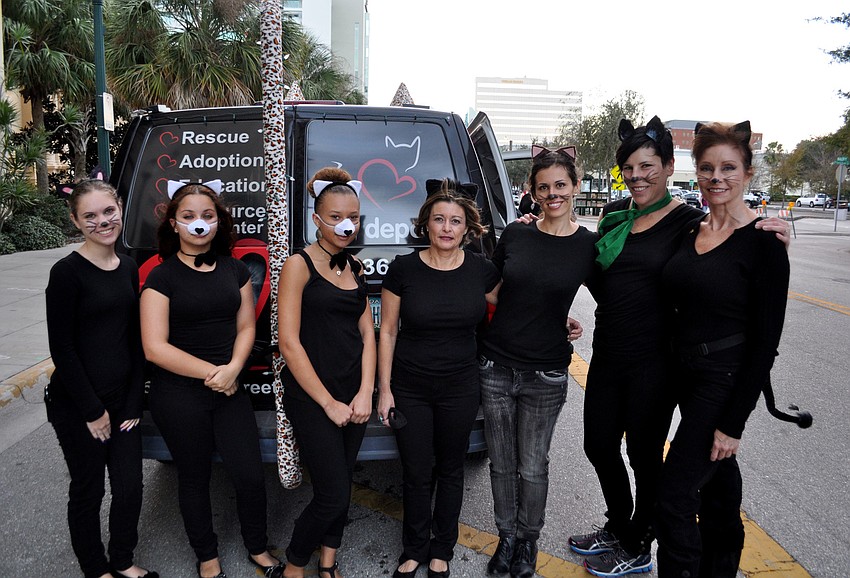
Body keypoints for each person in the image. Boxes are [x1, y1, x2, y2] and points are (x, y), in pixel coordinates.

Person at [571, 116, 791, 578]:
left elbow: (753, 310)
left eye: (647, 166)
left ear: (670, 168)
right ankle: (621, 526)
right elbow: (590, 268)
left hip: (660, 362)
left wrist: (776, 236)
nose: (637, 176)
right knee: (600, 447)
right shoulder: (621, 217)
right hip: (617, 354)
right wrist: (540, 226)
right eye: (629, 168)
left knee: (655, 464)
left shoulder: (688, 222)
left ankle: (639, 541)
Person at [655, 121, 790, 577]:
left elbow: (765, 344)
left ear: (748, 173)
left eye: (729, 168)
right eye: (707, 168)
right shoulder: (690, 229)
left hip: (722, 379)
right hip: (682, 374)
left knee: (674, 496)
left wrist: (733, 424)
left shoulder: (766, 242)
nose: (717, 177)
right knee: (717, 487)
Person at [140, 181, 282, 578]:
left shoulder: (236, 270)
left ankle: (258, 547)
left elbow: (246, 326)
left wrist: (234, 368)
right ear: (173, 223)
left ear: (219, 221)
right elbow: (154, 347)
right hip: (179, 394)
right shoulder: (161, 277)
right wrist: (214, 373)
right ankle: (207, 557)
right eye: (188, 216)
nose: (198, 223)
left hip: (230, 388)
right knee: (193, 478)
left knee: (250, 475)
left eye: (207, 215)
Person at [480, 146, 597, 578]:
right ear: (532, 190)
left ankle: (528, 540)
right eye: (543, 187)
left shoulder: (588, 245)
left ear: (575, 186)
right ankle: (506, 537)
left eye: (560, 185)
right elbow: (491, 288)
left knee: (532, 466)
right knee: (501, 464)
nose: (552, 194)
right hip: (496, 366)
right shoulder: (516, 233)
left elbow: (621, 293)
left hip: (545, 374)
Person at [377, 179, 500, 578]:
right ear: (425, 224)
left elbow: (521, 306)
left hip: (460, 388)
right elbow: (388, 331)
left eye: (455, 221)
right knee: (415, 471)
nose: (447, 228)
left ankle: (442, 548)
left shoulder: (482, 271)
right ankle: (413, 548)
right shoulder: (404, 269)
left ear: (468, 228)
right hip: (409, 387)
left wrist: (558, 321)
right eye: (439, 219)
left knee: (450, 469)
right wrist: (384, 390)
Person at [45, 179, 157, 578]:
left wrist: (133, 402)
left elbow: (133, 339)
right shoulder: (66, 273)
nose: (102, 221)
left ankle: (122, 560)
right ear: (76, 221)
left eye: (108, 211)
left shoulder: (127, 266)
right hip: (78, 406)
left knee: (129, 488)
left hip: (122, 401)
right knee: (88, 490)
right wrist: (93, 411)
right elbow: (62, 348)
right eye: (89, 216)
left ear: (120, 209)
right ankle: (96, 568)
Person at [277, 167, 376, 578]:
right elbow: (289, 343)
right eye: (335, 217)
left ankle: (328, 562)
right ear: (317, 219)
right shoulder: (298, 265)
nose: (345, 225)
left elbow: (367, 334)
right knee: (332, 494)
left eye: (352, 216)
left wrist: (366, 391)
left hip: (354, 395)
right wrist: (328, 403)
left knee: (342, 483)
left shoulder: (355, 267)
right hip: (313, 398)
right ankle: (294, 564)